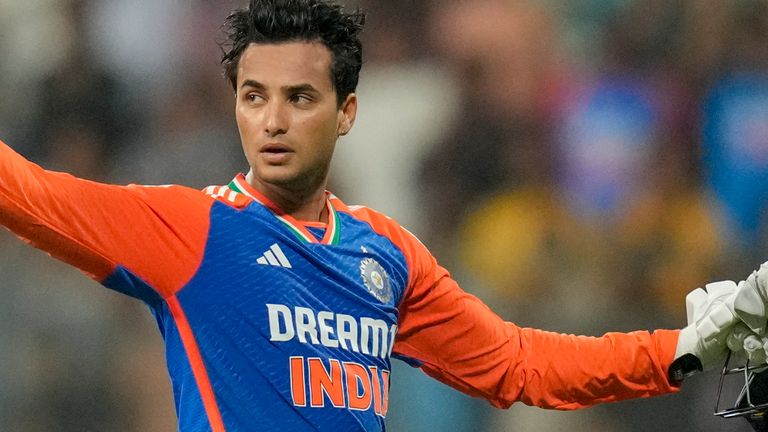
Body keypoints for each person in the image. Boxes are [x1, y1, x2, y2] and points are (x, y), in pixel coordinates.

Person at [0, 0, 766, 430]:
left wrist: (683, 346)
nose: (271, 121)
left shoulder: (386, 255)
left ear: (346, 113)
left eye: (299, 98)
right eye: (253, 96)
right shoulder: (194, 231)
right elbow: (29, 194)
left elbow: (521, 364)